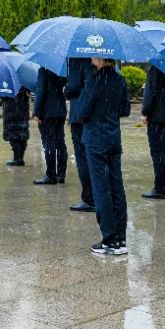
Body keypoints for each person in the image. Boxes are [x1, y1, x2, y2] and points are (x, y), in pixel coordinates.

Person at [73, 57, 129, 256]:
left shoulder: (94, 81)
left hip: (95, 139)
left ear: (99, 58)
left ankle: (108, 238)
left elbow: (81, 112)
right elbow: (125, 110)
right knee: (116, 187)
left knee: (100, 188)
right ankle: (121, 238)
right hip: (113, 138)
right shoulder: (120, 81)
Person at [140, 64, 165, 199]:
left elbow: (151, 91)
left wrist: (145, 111)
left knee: (158, 152)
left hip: (157, 116)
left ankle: (160, 187)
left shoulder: (155, 67)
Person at [66, 58, 97, 213]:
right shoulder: (97, 57)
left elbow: (73, 86)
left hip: (79, 112)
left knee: (82, 157)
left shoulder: (76, 59)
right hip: (94, 112)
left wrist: (66, 90)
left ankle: (89, 198)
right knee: (92, 155)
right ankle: (97, 196)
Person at [32, 67, 68, 185]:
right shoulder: (63, 69)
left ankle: (51, 175)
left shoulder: (44, 69)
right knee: (60, 142)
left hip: (47, 111)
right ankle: (61, 174)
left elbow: (40, 91)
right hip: (60, 109)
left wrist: (36, 112)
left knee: (49, 143)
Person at [2, 85, 31, 166]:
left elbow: (3, 95)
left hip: (12, 109)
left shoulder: (8, 80)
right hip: (23, 109)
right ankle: (20, 158)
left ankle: (17, 159)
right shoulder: (25, 81)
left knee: (14, 134)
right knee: (22, 133)